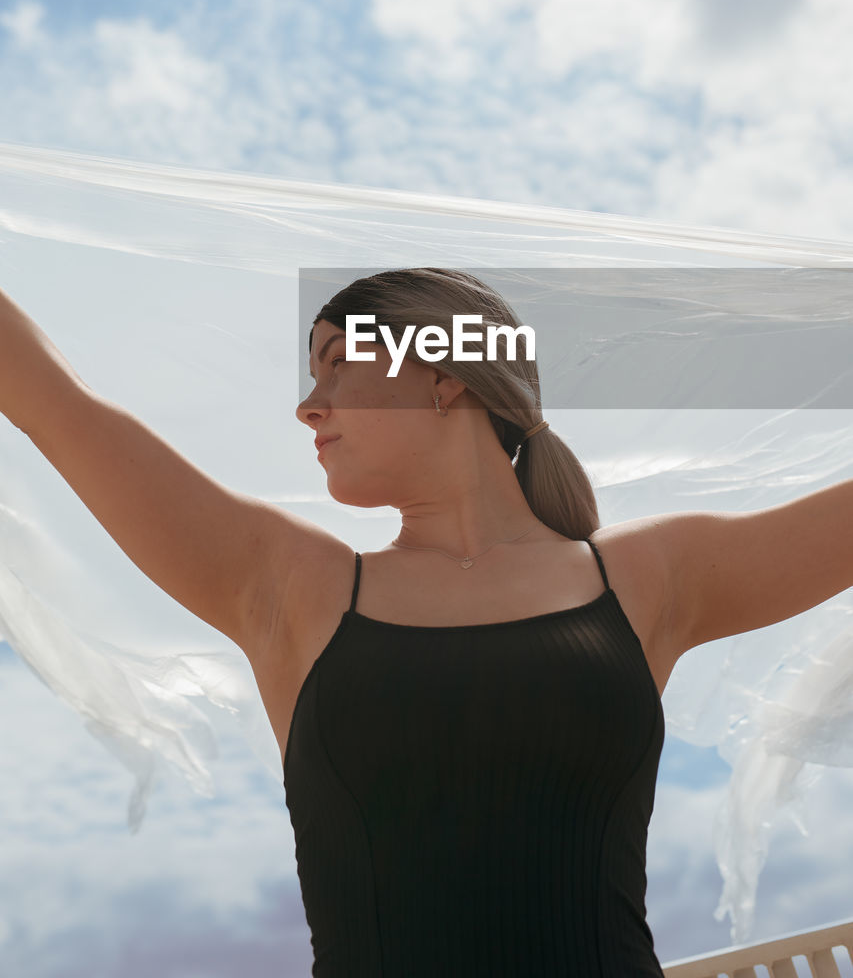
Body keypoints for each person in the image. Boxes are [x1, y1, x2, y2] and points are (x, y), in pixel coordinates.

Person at [1, 265, 851, 977]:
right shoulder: (291, 585)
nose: (309, 404)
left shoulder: (646, 575)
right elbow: (48, 397)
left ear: (445, 374)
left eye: (337, 363)